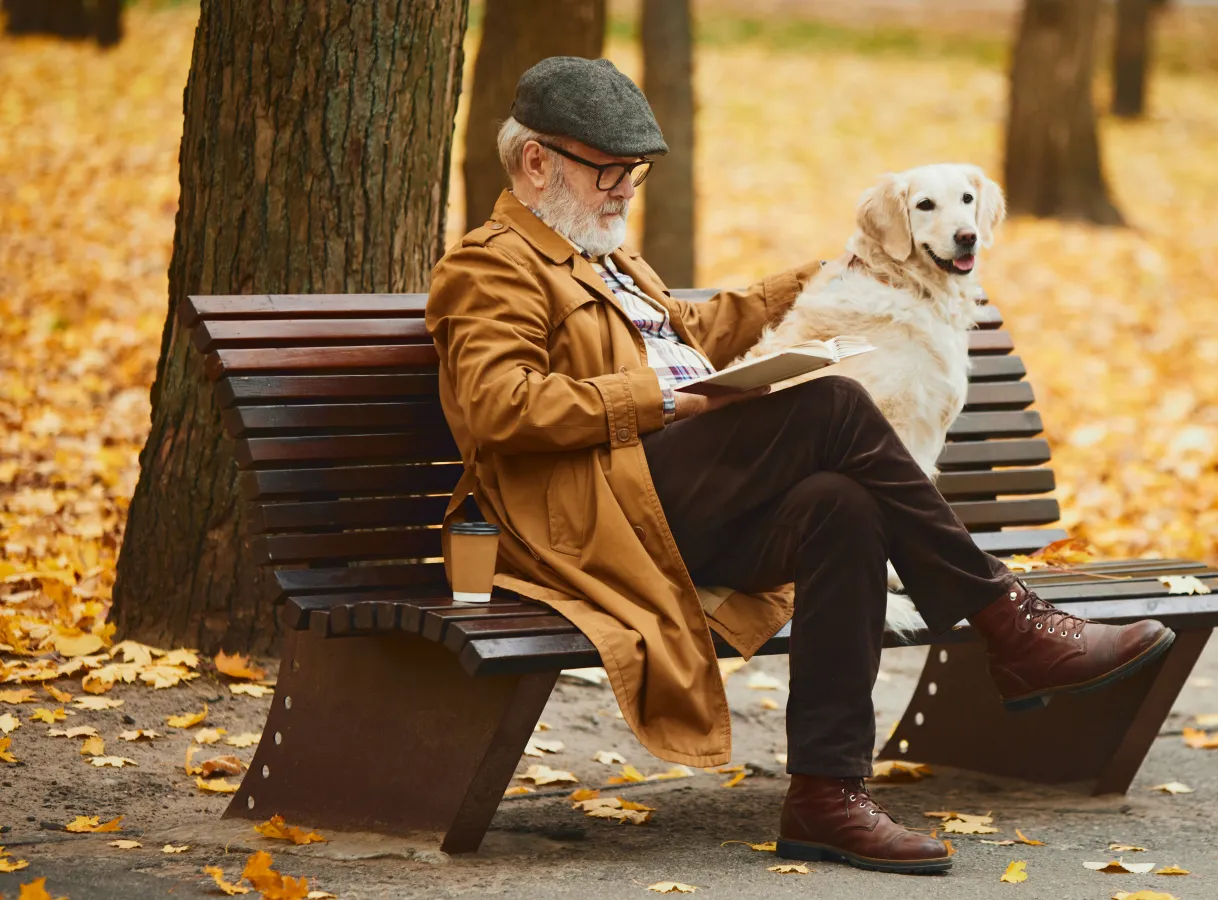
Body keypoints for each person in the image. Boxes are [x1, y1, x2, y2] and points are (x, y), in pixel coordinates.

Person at [426, 57, 1175, 875]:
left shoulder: (608, 258)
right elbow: (500, 407)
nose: (625, 190)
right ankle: (1011, 625)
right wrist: (665, 401)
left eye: (633, 172)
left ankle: (827, 794)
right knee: (830, 402)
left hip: (682, 498)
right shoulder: (490, 265)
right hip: (605, 510)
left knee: (841, 506)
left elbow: (698, 328)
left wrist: (833, 272)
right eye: (608, 170)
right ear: (537, 162)